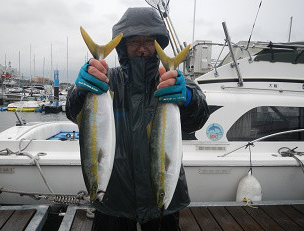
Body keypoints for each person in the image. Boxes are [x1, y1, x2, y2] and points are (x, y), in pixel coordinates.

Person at [66, 7, 209, 231]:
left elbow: (198, 119)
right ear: (123, 46)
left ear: (158, 44)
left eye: (149, 41)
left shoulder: (171, 81)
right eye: (134, 42)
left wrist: (189, 98)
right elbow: (73, 113)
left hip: (160, 202)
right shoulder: (106, 80)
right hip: (114, 200)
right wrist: (80, 92)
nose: (142, 49)